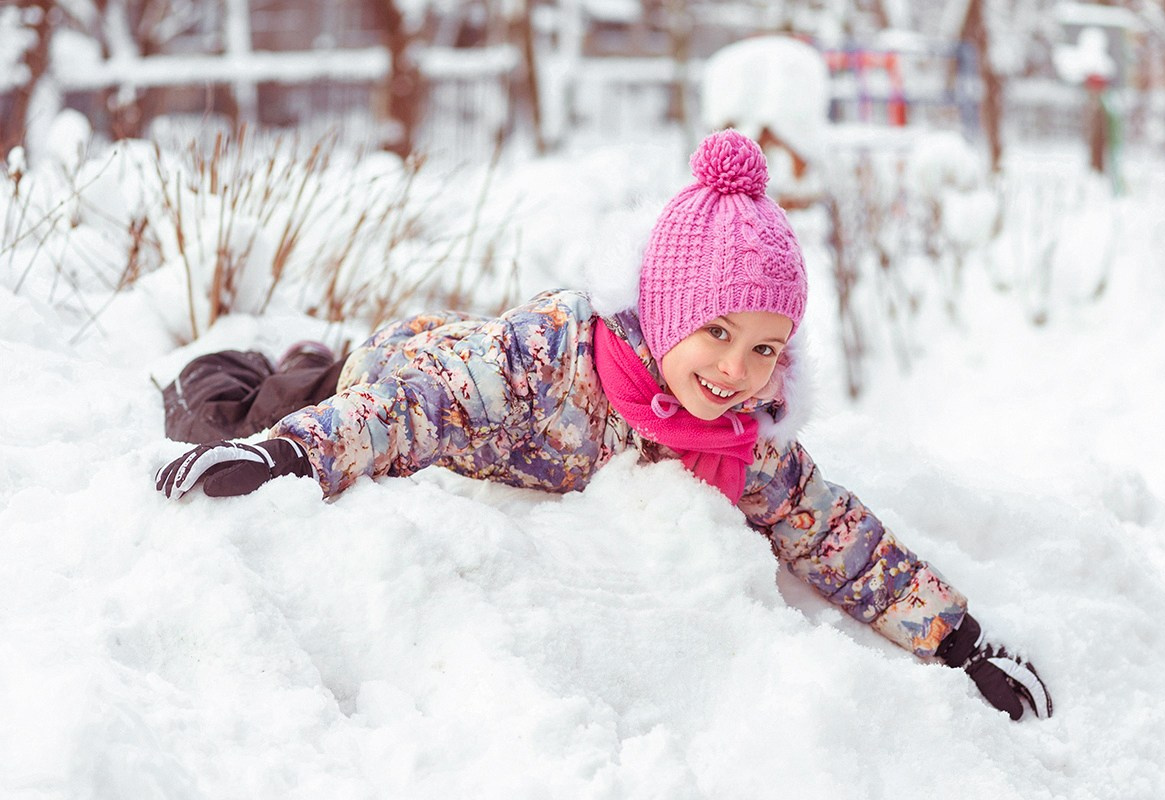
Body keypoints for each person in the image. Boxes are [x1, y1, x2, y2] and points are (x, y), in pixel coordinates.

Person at [155, 130, 1052, 721]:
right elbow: (406, 410)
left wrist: (960, 643)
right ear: (662, 314)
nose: (738, 371)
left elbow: (842, 538)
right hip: (402, 377)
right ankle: (267, 361)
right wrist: (283, 451)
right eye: (718, 333)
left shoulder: (748, 439)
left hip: (435, 371)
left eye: (767, 349)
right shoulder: (542, 362)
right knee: (236, 402)